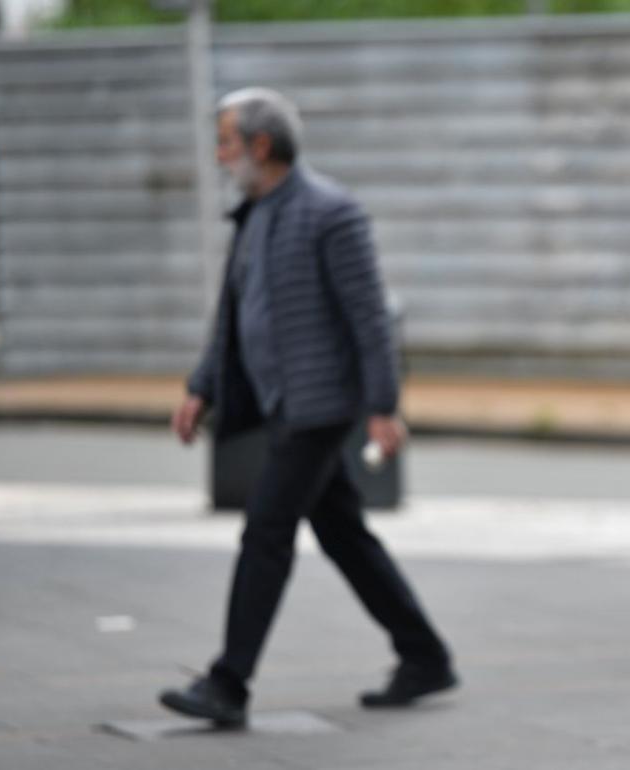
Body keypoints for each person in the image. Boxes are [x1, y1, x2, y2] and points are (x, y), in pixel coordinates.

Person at [160, 88, 456, 726]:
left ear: (260, 146)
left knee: (266, 532)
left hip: (318, 408)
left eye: (226, 142)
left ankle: (228, 683)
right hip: (283, 402)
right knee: (343, 534)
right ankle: (424, 654)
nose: (219, 155)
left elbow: (370, 319)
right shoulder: (254, 214)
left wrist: (382, 405)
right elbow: (232, 319)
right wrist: (200, 387)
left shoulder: (330, 212)